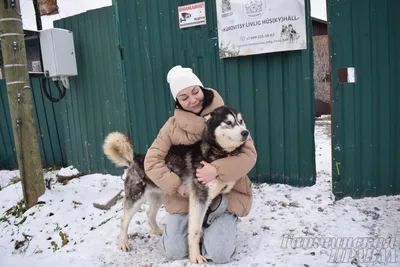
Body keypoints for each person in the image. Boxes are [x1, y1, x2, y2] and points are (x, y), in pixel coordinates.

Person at [143, 65, 257, 264]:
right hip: (184, 198)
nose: (193, 100)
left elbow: (249, 156)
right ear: (177, 101)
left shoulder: (230, 116)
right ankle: (190, 230)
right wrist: (180, 187)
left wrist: (216, 170)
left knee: (220, 254)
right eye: (184, 97)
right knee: (175, 252)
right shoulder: (172, 126)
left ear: (202, 89)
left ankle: (217, 224)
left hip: (227, 196)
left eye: (195, 91)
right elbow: (151, 161)